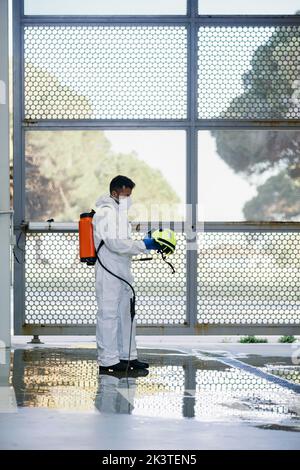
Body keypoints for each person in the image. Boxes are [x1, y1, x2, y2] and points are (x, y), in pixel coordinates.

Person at [93, 175, 160, 372]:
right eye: (126, 195)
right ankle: (108, 360)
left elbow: (123, 243)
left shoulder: (118, 214)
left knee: (126, 315)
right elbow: (115, 243)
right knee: (108, 315)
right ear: (114, 193)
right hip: (109, 272)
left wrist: (146, 244)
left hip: (122, 272)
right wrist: (144, 245)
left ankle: (127, 357)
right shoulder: (105, 213)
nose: (129, 199)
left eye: (130, 195)